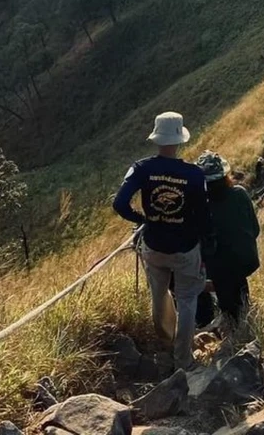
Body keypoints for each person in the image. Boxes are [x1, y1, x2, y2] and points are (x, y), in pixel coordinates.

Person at [113, 111, 213, 371]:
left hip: (154, 245)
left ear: (157, 138)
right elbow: (204, 217)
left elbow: (119, 203)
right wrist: (203, 244)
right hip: (185, 247)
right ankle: (184, 358)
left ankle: (167, 342)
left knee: (159, 297)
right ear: (179, 139)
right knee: (187, 299)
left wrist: (143, 219)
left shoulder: (141, 168)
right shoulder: (194, 175)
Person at [195, 150, 260, 324]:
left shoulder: (200, 206)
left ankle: (215, 322)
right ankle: (242, 318)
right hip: (246, 261)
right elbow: (255, 229)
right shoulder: (240, 194)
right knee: (239, 295)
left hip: (217, 269)